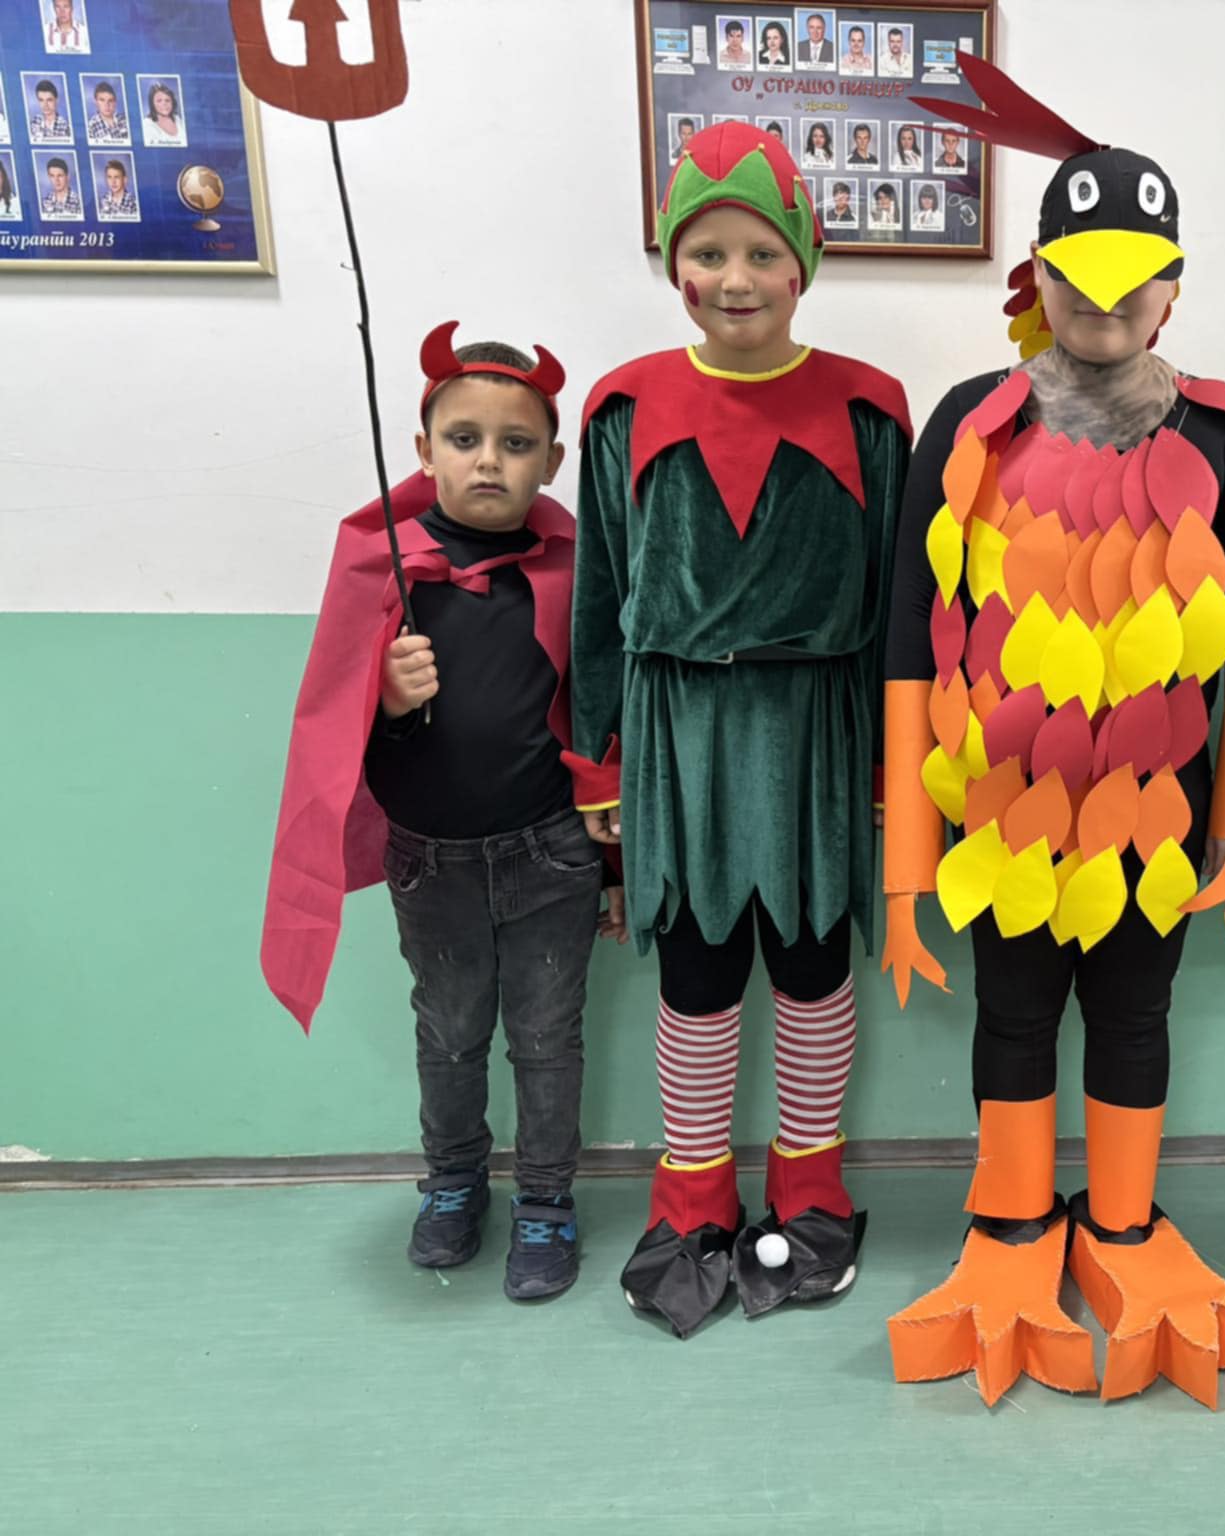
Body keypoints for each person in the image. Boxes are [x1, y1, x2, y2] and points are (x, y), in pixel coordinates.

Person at [884, 53, 1225, 1409]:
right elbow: (907, 644)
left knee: (1133, 1011)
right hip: (1002, 816)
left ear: (1174, 286)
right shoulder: (969, 427)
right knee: (1011, 1013)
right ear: (1038, 278)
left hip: (1156, 817)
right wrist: (907, 864)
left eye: (1133, 283)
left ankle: (1119, 1224)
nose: (1104, 306)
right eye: (1077, 280)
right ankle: (1012, 1224)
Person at [570, 123, 911, 1340]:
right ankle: (691, 1198)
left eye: (761, 252)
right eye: (707, 252)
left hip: (818, 727)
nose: (734, 278)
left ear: (801, 261)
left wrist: (892, 763)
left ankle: (811, 1189)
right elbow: (600, 598)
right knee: (698, 972)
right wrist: (600, 764)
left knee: (812, 964)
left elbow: (894, 605)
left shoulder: (869, 408)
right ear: (674, 262)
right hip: (678, 732)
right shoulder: (621, 408)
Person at [261, 323, 617, 1304]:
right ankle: (454, 1182)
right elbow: (335, 722)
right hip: (432, 862)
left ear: (551, 461)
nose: (489, 461)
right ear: (424, 451)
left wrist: (616, 869)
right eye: (465, 439)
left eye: (515, 443)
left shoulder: (574, 568)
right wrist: (383, 697)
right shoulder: (385, 568)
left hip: (551, 855)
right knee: (450, 1033)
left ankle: (545, 1200)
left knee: (547, 1039)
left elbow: (603, 721)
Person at [141, 81, 184, 147]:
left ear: (172, 102)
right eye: (159, 101)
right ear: (152, 104)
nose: (164, 104)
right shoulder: (147, 125)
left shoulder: (177, 118)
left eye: (167, 100)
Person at [85, 80, 126, 144]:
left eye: (110, 100)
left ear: (115, 102)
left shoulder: (125, 120)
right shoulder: (90, 128)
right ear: (96, 102)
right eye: (102, 100)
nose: (106, 105)